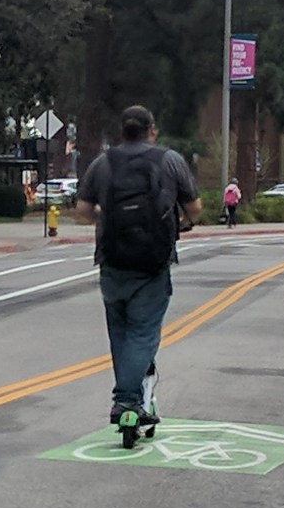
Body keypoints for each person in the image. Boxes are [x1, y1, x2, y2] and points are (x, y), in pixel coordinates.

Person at [76, 105, 202, 426]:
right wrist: (184, 222)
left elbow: (83, 209)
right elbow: (195, 208)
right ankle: (127, 401)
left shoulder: (103, 163)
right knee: (144, 333)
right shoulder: (170, 160)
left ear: (123, 131)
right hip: (153, 262)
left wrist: (105, 219)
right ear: (152, 130)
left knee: (120, 333)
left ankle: (131, 398)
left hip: (112, 259)